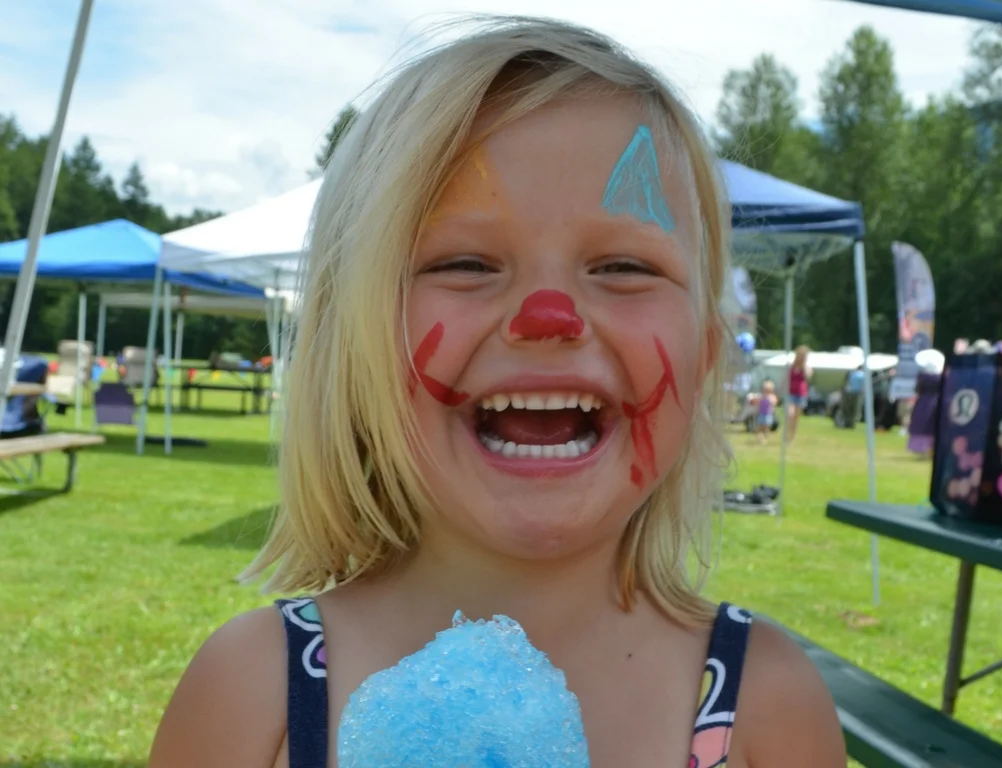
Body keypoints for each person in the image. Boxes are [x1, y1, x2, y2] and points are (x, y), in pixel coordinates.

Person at [149, 16, 844, 768]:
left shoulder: (771, 708)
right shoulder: (252, 697)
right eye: (467, 263)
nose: (550, 316)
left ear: (704, 357)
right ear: (349, 344)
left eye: (622, 267)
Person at [786, 345, 813, 443]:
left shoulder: (806, 367)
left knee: (796, 418)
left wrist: (804, 365)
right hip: (790, 393)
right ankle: (787, 433)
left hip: (801, 394)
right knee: (790, 414)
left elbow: (808, 377)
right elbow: (785, 378)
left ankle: (791, 436)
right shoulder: (791, 366)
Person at [755, 380, 778, 445]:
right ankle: (761, 439)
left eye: (768, 390)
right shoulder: (761, 396)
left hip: (768, 415)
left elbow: (774, 403)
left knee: (766, 427)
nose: (766, 391)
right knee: (759, 427)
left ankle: (765, 437)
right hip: (761, 414)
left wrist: (769, 399)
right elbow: (758, 404)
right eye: (765, 389)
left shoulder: (772, 397)